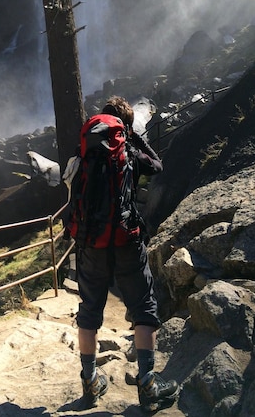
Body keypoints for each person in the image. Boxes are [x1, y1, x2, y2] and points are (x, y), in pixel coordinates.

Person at [75, 96, 179, 412]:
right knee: (144, 305)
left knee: (90, 307)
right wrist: (134, 139)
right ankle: (148, 381)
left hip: (91, 241)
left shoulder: (86, 153)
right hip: (126, 238)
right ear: (125, 128)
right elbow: (158, 165)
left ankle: (90, 378)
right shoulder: (130, 152)